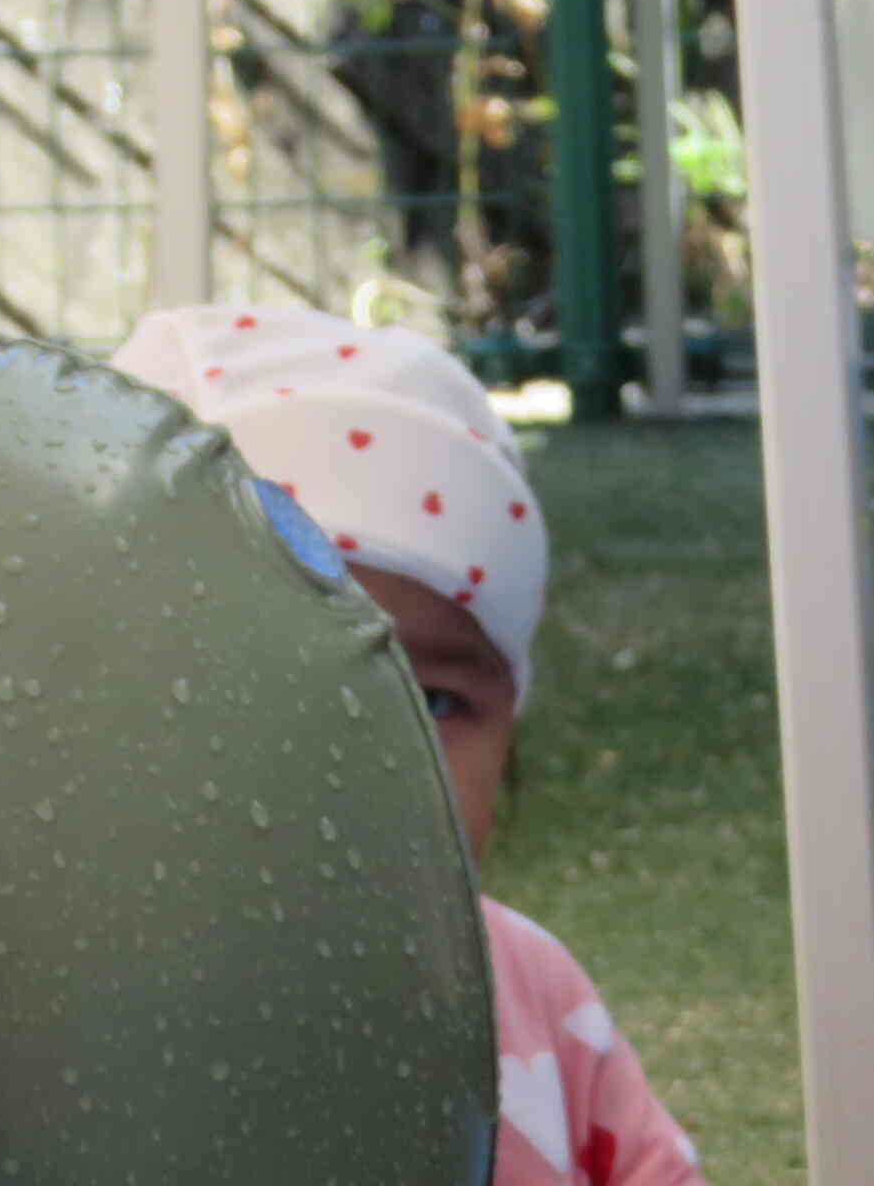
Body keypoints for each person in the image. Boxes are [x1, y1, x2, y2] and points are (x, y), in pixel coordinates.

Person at [112, 304, 705, 1186]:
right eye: (274, 680)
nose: (367, 751)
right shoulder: (43, 1014)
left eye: (433, 699)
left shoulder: (533, 993)